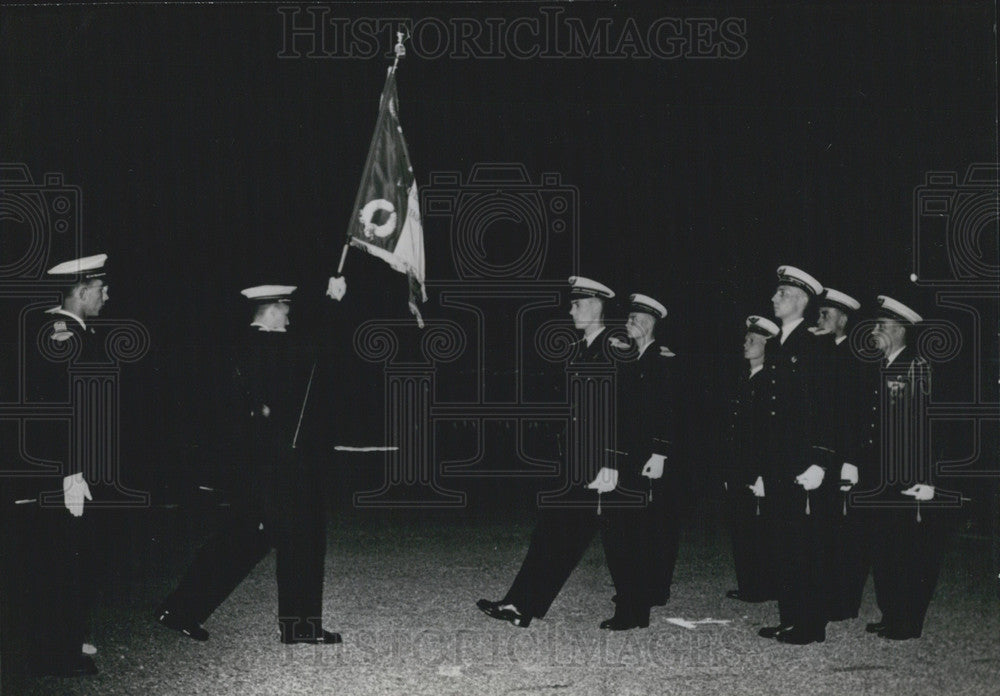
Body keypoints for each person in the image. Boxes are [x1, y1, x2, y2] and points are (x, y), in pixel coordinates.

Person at [157, 280, 345, 645]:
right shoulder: (265, 346)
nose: (289, 316)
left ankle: (180, 610)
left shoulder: (250, 345)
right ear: (272, 309)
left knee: (244, 539)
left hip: (262, 465)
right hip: (280, 466)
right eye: (286, 309)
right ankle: (300, 626)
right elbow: (312, 353)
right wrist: (331, 304)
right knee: (301, 539)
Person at [477, 276, 617, 629]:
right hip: (573, 459)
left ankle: (635, 605)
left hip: (599, 462)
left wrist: (610, 461)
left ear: (596, 305)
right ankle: (519, 605)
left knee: (576, 536)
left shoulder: (614, 349)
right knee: (552, 533)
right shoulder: (582, 348)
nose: (570, 311)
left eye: (577, 304)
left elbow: (620, 411)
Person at [5, 254, 110, 676]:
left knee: (71, 557)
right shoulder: (61, 336)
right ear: (81, 291)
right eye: (101, 288)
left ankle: (67, 638)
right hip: (63, 470)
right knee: (62, 561)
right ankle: (58, 655)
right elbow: (61, 413)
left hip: (68, 467)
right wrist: (71, 473)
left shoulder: (69, 331)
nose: (107, 295)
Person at [853, 295, 947, 640]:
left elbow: (932, 428)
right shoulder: (880, 366)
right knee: (883, 547)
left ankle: (908, 620)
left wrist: (930, 479)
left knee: (909, 551)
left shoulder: (916, 367)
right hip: (879, 477)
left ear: (900, 330)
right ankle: (891, 613)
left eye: (881, 325)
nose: (873, 331)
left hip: (908, 478)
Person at [757, 265, 835, 646]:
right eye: (776, 293)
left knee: (807, 543)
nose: (774, 298)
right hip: (777, 459)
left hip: (803, 460)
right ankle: (790, 618)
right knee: (782, 542)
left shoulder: (817, 344)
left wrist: (820, 460)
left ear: (802, 300)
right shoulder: (776, 344)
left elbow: (827, 406)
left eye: (782, 294)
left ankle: (811, 624)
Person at [599, 293, 675, 630]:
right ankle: (634, 602)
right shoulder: (629, 357)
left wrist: (660, 452)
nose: (628, 323)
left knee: (631, 534)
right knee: (621, 531)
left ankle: (632, 608)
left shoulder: (663, 361)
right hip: (623, 457)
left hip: (643, 460)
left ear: (649, 323)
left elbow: (669, 411)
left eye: (634, 319)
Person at [811, 287, 871, 621]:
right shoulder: (821, 351)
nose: (819, 319)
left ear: (843, 320)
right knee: (823, 529)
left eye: (826, 314)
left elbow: (856, 414)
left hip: (844, 457)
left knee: (847, 533)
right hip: (820, 456)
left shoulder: (855, 356)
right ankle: (825, 596)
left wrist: (852, 459)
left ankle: (845, 603)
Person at [724, 315, 780, 603]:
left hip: (757, 467)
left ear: (767, 345)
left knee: (759, 528)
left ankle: (762, 585)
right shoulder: (744, 377)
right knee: (742, 526)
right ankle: (749, 584)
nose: (745, 344)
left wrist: (762, 473)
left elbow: (769, 433)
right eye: (746, 339)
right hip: (739, 466)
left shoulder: (770, 381)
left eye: (752, 340)